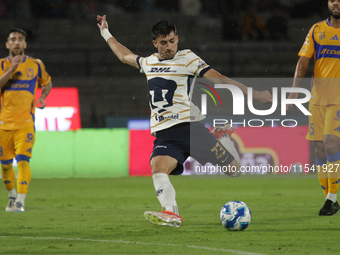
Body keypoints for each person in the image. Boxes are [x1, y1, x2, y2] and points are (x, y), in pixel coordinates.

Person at [97, 15, 272, 227]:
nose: (169, 46)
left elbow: (219, 78)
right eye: (163, 43)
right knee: (157, 167)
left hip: (190, 127)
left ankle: (224, 136)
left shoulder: (188, 58)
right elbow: (125, 56)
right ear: (155, 43)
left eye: (172, 41)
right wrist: (105, 32)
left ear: (177, 39)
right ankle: (171, 213)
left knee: (234, 171)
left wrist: (254, 94)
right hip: (166, 134)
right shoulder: (148, 62)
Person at [287, 0, 340, 216]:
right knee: (318, 148)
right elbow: (303, 62)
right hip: (317, 100)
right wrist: (293, 92)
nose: (335, 3)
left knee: (330, 144)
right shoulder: (317, 30)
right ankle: (330, 199)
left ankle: (332, 198)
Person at [0, 28, 52, 212]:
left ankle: (20, 201)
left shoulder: (36, 65)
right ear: (7, 44)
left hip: (26, 124)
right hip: (3, 124)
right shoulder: (0, 65)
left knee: (23, 161)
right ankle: (12, 196)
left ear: (25, 44)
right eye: (13, 39)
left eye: (20, 39)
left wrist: (43, 97)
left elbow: (47, 82)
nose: (16, 42)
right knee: (5, 166)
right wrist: (12, 69)